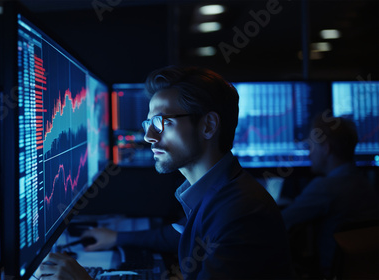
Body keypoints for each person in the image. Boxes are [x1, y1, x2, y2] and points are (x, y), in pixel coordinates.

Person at [36, 66, 293, 279]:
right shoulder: (219, 193)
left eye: (161, 122)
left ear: (208, 125)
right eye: (148, 123)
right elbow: (184, 235)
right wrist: (117, 237)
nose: (148, 136)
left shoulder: (241, 213)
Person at [281, 113, 378, 277]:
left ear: (326, 148)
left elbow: (279, 221)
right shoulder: (366, 185)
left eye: (311, 147)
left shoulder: (325, 188)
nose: (309, 154)